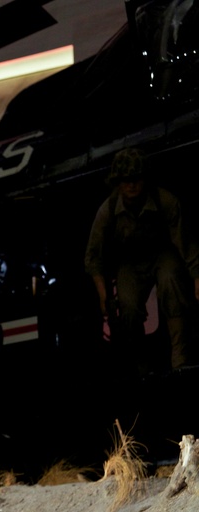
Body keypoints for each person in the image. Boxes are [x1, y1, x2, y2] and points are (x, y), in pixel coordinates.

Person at [84, 148, 199, 376]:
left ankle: (180, 363)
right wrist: (102, 294)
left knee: (172, 284)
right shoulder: (107, 211)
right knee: (127, 307)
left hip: (162, 254)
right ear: (117, 182)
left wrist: (197, 278)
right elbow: (93, 256)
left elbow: (186, 245)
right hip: (129, 262)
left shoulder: (165, 201)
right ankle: (142, 369)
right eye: (126, 180)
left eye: (136, 178)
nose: (131, 185)